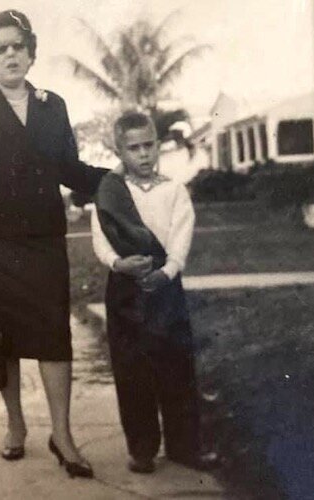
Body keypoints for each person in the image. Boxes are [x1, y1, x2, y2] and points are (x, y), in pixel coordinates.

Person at [0, 10, 109, 479]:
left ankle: (63, 435)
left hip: (42, 242)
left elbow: (69, 170)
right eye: (0, 48)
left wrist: (115, 181)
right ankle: (15, 425)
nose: (11, 54)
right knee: (3, 341)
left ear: (31, 52)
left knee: (55, 338)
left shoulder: (53, 106)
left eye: (18, 46)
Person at [91, 111, 218, 474]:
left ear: (158, 146)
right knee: (132, 368)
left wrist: (169, 270)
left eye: (149, 145)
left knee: (175, 364)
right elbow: (101, 237)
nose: (144, 154)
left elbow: (181, 234)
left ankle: (185, 446)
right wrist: (118, 264)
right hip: (125, 289)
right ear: (120, 151)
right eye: (134, 148)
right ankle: (142, 448)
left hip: (166, 288)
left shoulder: (174, 190)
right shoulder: (112, 192)